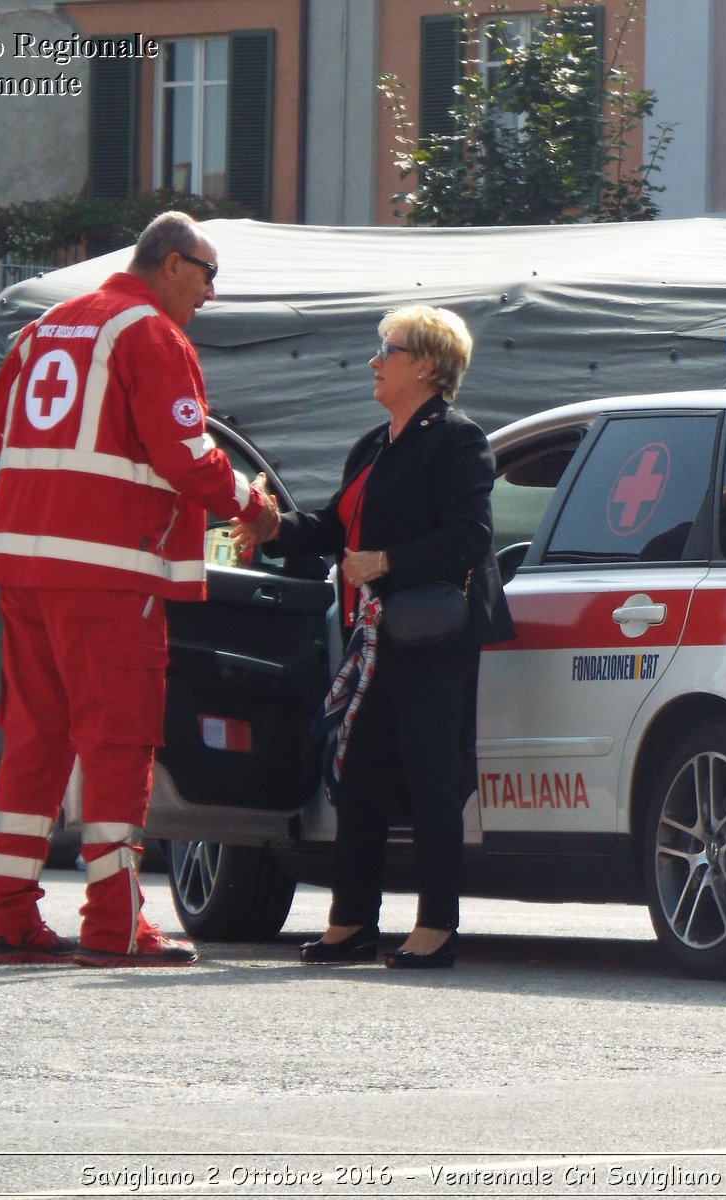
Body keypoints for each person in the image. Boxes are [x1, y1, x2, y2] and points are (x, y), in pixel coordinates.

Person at [0, 211, 279, 968]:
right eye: (208, 276)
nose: (210, 293)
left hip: (22, 562)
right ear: (171, 264)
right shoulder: (148, 332)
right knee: (117, 742)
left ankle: (6, 916)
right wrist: (252, 506)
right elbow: (185, 453)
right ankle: (116, 923)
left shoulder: (47, 325)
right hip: (109, 568)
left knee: (34, 740)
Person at [268, 304, 513, 970]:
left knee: (433, 781)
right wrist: (270, 526)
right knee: (359, 779)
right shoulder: (374, 444)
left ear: (428, 366)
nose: (375, 360)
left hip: (430, 634)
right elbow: (331, 530)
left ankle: (436, 925)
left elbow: (471, 538)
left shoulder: (457, 439)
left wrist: (387, 562)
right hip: (373, 638)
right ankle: (352, 921)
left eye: (389, 349)